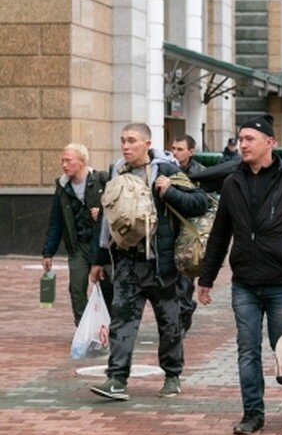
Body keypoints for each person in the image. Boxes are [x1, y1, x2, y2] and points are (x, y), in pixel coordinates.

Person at [197, 114, 282, 435]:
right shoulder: (232, 183)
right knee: (247, 349)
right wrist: (206, 278)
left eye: (250, 139)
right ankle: (252, 413)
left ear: (269, 142)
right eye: (241, 139)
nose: (243, 144)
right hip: (245, 284)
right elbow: (219, 234)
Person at [88, 123, 209, 401]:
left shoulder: (166, 170)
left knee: (169, 324)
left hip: (161, 265)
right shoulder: (116, 173)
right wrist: (98, 259)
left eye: (132, 141)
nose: (126, 146)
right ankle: (116, 379)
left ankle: (172, 376)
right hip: (127, 263)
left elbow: (200, 203)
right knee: (122, 322)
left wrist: (169, 192)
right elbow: (107, 219)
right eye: (122, 141)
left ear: (147, 143)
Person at [42, 143, 110, 326]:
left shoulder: (102, 179)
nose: (64, 164)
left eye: (68, 160)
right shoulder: (63, 186)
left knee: (107, 286)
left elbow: (118, 207)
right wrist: (48, 252)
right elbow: (56, 221)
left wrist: (103, 212)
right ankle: (83, 326)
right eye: (62, 160)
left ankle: (110, 326)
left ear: (82, 161)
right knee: (77, 288)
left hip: (102, 245)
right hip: (78, 245)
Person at [169, 134, 206, 332]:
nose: (175, 153)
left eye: (180, 149)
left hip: (190, 235)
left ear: (190, 152)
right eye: (173, 148)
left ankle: (182, 319)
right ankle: (178, 316)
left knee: (184, 281)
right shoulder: (166, 170)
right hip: (169, 233)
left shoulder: (200, 173)